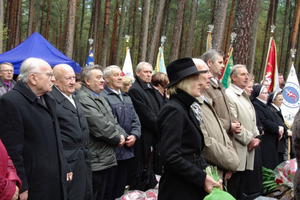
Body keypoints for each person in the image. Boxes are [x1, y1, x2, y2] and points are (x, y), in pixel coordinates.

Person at [0, 57, 72, 200]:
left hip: (54, 177)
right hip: (34, 183)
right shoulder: (11, 102)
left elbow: (57, 139)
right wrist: (21, 184)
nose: (53, 79)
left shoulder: (48, 99)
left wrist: (64, 165)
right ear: (33, 78)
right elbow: (12, 150)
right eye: (49, 75)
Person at [157, 57, 222, 200]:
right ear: (183, 83)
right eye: (195, 79)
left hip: (189, 185)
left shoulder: (186, 108)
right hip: (178, 189)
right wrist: (202, 177)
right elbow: (170, 157)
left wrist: (209, 176)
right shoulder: (174, 110)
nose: (200, 82)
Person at [75, 65, 126, 200]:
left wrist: (122, 135)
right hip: (95, 159)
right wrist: (118, 138)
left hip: (105, 157)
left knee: (103, 194)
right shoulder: (83, 99)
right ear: (87, 81)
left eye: (102, 77)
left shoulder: (99, 97)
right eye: (98, 78)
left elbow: (113, 120)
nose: (102, 80)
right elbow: (100, 126)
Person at [49, 64, 93, 200]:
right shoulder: (51, 100)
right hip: (69, 160)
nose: (73, 82)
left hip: (82, 157)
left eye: (74, 77)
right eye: (68, 78)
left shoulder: (73, 96)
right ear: (55, 80)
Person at [193, 58, 239, 182]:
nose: (209, 76)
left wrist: (231, 159)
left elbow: (221, 132)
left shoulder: (205, 100)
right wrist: (231, 162)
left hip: (220, 169)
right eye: (205, 72)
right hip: (208, 173)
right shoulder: (192, 105)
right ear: (192, 76)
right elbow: (205, 142)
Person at [101, 65, 141, 199]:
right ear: (107, 79)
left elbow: (136, 119)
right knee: (108, 189)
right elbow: (110, 122)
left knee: (120, 187)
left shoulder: (126, 97)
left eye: (121, 74)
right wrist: (125, 136)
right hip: (112, 151)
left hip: (127, 151)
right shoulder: (103, 96)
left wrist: (135, 135)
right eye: (116, 75)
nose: (120, 77)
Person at [225, 64, 261, 199]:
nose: (247, 77)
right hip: (237, 150)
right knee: (232, 192)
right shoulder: (229, 95)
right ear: (233, 77)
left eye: (247, 74)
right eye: (242, 74)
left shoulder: (243, 95)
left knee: (240, 191)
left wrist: (257, 136)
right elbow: (234, 122)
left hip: (247, 152)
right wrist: (250, 139)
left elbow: (252, 119)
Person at [201, 49, 241, 151]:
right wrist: (229, 125)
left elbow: (226, 109)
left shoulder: (219, 84)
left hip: (227, 138)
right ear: (209, 62)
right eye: (220, 62)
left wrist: (235, 123)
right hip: (216, 140)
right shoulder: (205, 86)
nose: (223, 66)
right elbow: (208, 116)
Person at [128, 62, 163, 175]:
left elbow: (163, 108)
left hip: (157, 136)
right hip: (145, 138)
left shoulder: (151, 89)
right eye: (145, 72)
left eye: (150, 72)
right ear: (138, 73)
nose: (149, 75)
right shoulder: (135, 90)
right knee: (144, 170)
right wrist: (163, 128)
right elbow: (147, 116)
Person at [250, 85, 284, 170]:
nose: (268, 95)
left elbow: (274, 119)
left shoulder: (265, 105)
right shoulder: (256, 105)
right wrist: (277, 129)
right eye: (265, 93)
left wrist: (280, 127)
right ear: (258, 94)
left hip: (272, 141)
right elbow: (264, 121)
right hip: (266, 141)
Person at [267, 91, 291, 163]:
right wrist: (286, 132)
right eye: (280, 100)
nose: (282, 101)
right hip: (276, 142)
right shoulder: (272, 110)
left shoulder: (277, 109)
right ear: (273, 100)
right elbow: (278, 123)